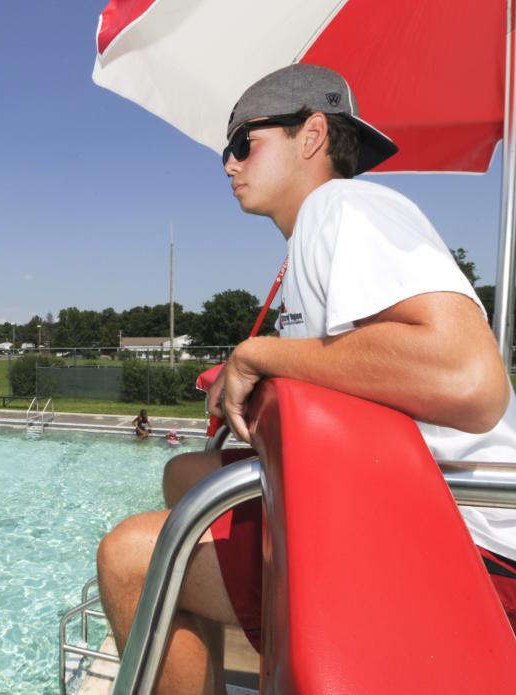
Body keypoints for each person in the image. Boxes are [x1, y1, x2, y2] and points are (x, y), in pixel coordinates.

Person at [96, 63, 516, 693]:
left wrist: (261, 355)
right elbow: (357, 366)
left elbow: (468, 379)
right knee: (185, 475)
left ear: (312, 135)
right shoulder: (317, 236)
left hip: (465, 544)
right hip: (404, 500)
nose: (229, 165)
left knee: (129, 557)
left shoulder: (343, 205)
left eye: (244, 143)